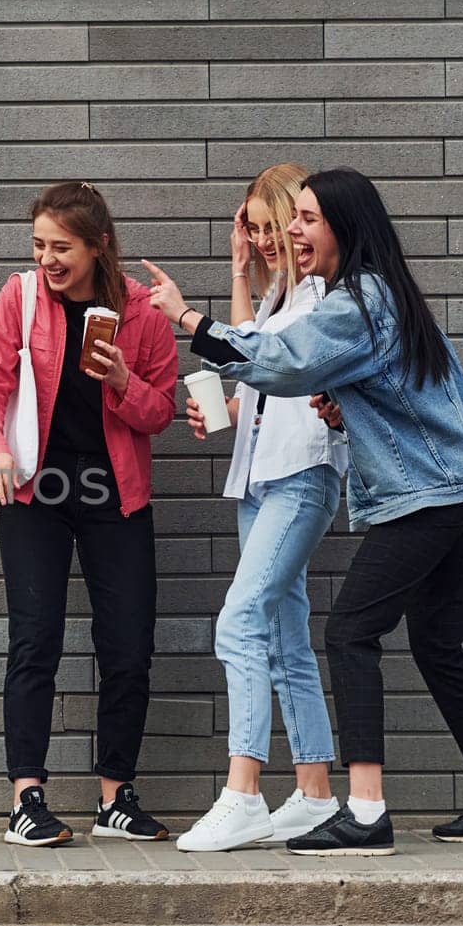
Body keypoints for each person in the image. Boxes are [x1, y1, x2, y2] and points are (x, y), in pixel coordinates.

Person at [148, 168, 463, 857]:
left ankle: (364, 810)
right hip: (459, 487)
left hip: (425, 498)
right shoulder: (388, 296)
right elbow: (445, 389)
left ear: (343, 228)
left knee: (351, 631)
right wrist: (354, 408)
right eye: (292, 218)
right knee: (439, 645)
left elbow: (284, 360)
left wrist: (188, 319)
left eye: (307, 219)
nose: (295, 231)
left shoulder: (356, 302)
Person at [0, 181, 179, 847]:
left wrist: (122, 380)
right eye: (39, 244)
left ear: (98, 246)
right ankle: (26, 798)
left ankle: (116, 796)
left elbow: (161, 411)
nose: (48, 258)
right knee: (36, 640)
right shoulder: (21, 297)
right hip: (35, 493)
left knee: (129, 645)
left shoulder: (139, 313)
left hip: (116, 494)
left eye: (62, 246)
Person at [145, 164, 349, 852]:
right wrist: (230, 409)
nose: (266, 240)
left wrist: (184, 312)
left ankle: (243, 791)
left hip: (301, 476)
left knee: (239, 622)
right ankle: (317, 792)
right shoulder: (275, 299)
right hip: (259, 481)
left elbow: (266, 356)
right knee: (287, 637)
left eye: (275, 226)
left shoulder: (323, 295)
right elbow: (248, 361)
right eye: (255, 230)